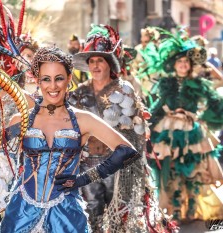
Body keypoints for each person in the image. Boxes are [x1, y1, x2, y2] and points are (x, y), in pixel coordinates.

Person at [0, 46, 144, 233]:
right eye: (46, 79)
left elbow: (127, 151)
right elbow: (1, 164)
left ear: (69, 79)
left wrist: (83, 179)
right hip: (20, 214)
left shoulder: (83, 120)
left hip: (67, 216)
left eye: (59, 78)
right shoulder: (20, 120)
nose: (53, 86)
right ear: (37, 81)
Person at [69, 24, 152, 232]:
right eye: (92, 61)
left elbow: (138, 131)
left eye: (100, 60)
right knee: (92, 211)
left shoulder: (124, 90)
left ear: (109, 64)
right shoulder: (78, 94)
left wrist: (134, 166)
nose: (96, 65)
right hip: (89, 166)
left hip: (118, 166)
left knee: (120, 214)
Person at [146, 31, 223, 222]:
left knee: (191, 170)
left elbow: (215, 100)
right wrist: (148, 122)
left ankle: (190, 209)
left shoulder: (197, 83)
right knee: (170, 169)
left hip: (190, 132)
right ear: (174, 65)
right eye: (180, 62)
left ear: (190, 65)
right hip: (167, 130)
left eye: (186, 62)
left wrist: (203, 116)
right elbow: (159, 105)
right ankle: (172, 209)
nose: (183, 65)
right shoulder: (166, 83)